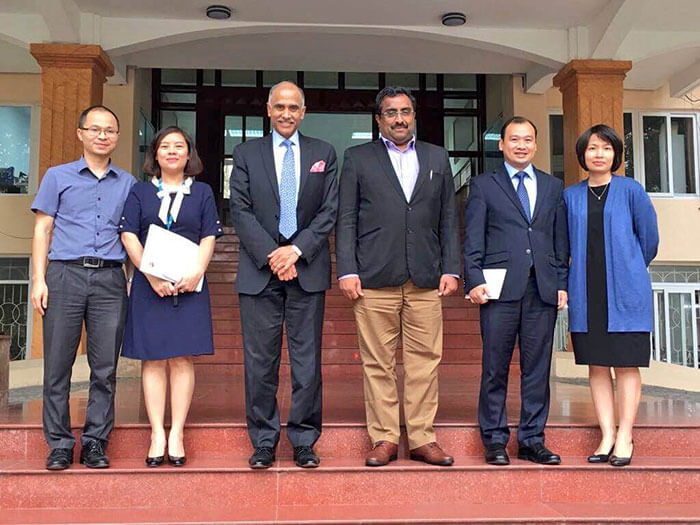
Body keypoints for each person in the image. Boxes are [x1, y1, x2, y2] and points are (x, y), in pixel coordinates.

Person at [336, 86, 460, 467]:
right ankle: (385, 438)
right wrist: (347, 269)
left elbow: (449, 218)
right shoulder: (358, 158)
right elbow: (347, 218)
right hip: (374, 277)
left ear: (414, 115)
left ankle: (422, 438)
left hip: (425, 276)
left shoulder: (437, 157)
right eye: (391, 112)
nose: (399, 118)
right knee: (378, 363)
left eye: (405, 111)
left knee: (425, 360)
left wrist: (452, 267)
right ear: (379, 119)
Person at [229, 81, 338, 469]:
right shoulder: (245, 153)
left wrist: (296, 250)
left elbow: (329, 210)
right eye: (280, 106)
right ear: (268, 109)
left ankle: (304, 440)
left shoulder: (323, 153)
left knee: (307, 363)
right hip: (260, 270)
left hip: (307, 268)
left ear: (303, 111)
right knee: (260, 363)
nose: (287, 113)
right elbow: (239, 210)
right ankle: (263, 441)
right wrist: (273, 254)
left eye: (294, 107)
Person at [30, 105, 135, 470]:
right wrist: (38, 279)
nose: (102, 135)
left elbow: (133, 234)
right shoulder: (57, 177)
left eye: (109, 130)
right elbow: (43, 229)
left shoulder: (128, 183)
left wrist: (134, 278)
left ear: (117, 137)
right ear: (81, 134)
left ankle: (94, 442)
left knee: (104, 368)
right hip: (64, 276)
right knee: (57, 365)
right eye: (95, 129)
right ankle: (59, 443)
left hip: (110, 279)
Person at [463, 116, 569, 466]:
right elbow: (473, 237)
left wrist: (562, 285)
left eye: (527, 139)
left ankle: (532, 440)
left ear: (535, 145)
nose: (521, 145)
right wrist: (473, 278)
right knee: (495, 367)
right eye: (514, 139)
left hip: (542, 289)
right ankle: (494, 440)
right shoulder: (484, 185)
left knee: (537, 369)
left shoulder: (554, 187)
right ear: (501, 145)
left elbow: (559, 242)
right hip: (498, 290)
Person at [119, 126, 222, 467]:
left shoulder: (203, 192)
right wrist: (149, 274)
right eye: (166, 146)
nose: (173, 151)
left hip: (189, 285)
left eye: (180, 146)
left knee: (181, 359)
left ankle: (176, 431)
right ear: (155, 154)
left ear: (189, 154)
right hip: (150, 287)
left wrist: (196, 273)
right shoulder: (139, 192)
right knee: (152, 359)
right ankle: (156, 433)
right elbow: (129, 235)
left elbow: (209, 236)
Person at [564, 124, 658, 467]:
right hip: (587, 293)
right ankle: (606, 434)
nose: (599, 154)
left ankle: (625, 435)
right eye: (592, 148)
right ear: (582, 155)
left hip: (626, 293)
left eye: (605, 148)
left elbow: (649, 239)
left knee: (627, 365)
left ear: (616, 154)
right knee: (597, 365)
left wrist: (630, 267)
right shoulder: (570, 196)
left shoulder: (631, 190)